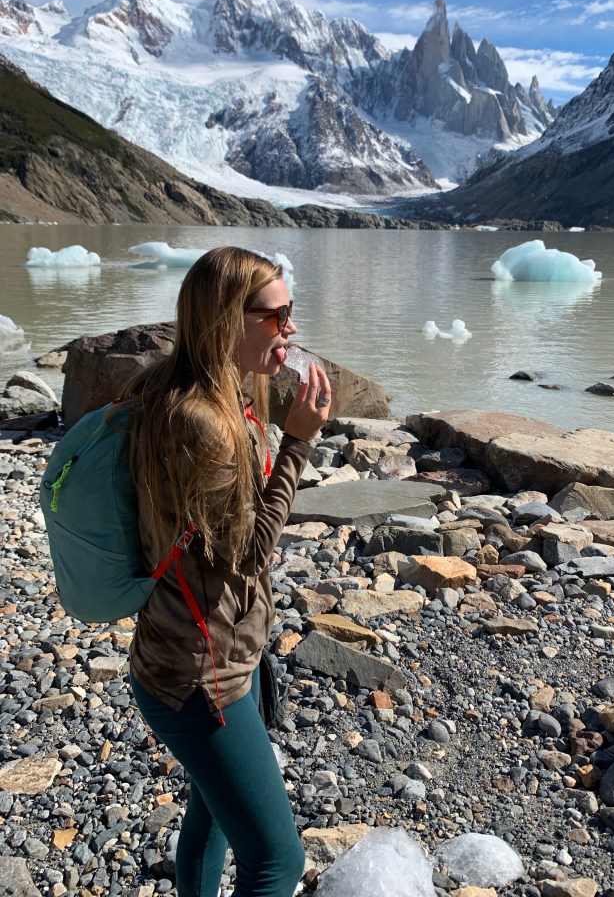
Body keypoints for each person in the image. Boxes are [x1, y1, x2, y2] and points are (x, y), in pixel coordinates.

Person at [124, 246, 331, 897]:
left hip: (181, 653)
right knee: (277, 864)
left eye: (291, 312)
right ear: (225, 319)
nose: (290, 328)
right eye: (276, 316)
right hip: (201, 677)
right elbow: (250, 553)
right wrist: (297, 442)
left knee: (211, 814)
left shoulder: (184, 389)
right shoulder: (204, 424)